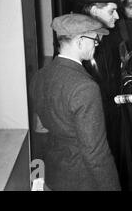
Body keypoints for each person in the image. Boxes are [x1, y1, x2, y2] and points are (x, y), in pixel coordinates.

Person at [29, 13, 120, 191]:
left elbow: (40, 132)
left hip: (54, 174)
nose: (96, 44)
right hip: (83, 180)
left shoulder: (39, 77)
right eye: (94, 39)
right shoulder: (85, 87)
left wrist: (37, 179)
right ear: (79, 41)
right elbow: (96, 154)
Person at [80, 0, 132, 191]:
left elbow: (121, 72)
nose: (117, 15)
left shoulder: (110, 38)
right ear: (94, 11)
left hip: (116, 119)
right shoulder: (79, 46)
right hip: (96, 125)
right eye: (112, 11)